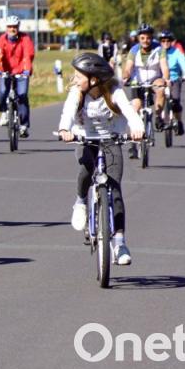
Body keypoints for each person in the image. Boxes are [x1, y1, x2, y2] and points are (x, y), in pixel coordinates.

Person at [58, 53, 144, 266]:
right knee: (86, 170)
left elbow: (129, 112)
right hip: (85, 137)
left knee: (115, 190)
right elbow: (68, 112)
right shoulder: (77, 93)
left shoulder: (114, 91)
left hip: (111, 139)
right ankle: (80, 202)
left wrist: (137, 128)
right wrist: (64, 129)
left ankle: (120, 242)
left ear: (94, 79)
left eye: (79, 75)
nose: (75, 79)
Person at [121, 23, 168, 159]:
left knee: (161, 87)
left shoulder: (159, 49)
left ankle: (158, 116)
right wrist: (125, 77)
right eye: (142, 38)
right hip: (138, 81)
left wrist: (166, 79)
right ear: (138, 38)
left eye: (148, 38)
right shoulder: (134, 50)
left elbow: (164, 67)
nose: (145, 41)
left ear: (151, 38)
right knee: (134, 108)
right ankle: (133, 145)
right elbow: (128, 67)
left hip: (154, 79)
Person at [0, 15, 35, 138]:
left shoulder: (25, 39)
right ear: (6, 28)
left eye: (14, 27)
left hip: (22, 72)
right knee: (2, 91)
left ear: (18, 27)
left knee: (22, 95)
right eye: (10, 27)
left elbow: (28, 55)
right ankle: (4, 112)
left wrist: (27, 70)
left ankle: (24, 125)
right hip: (6, 71)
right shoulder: (1, 40)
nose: (12, 29)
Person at [159, 30, 185, 136]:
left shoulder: (176, 52)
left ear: (172, 41)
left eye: (168, 40)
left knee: (175, 101)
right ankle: (158, 117)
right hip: (161, 80)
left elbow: (183, 63)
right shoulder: (157, 52)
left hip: (174, 80)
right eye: (163, 41)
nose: (166, 43)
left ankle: (179, 121)